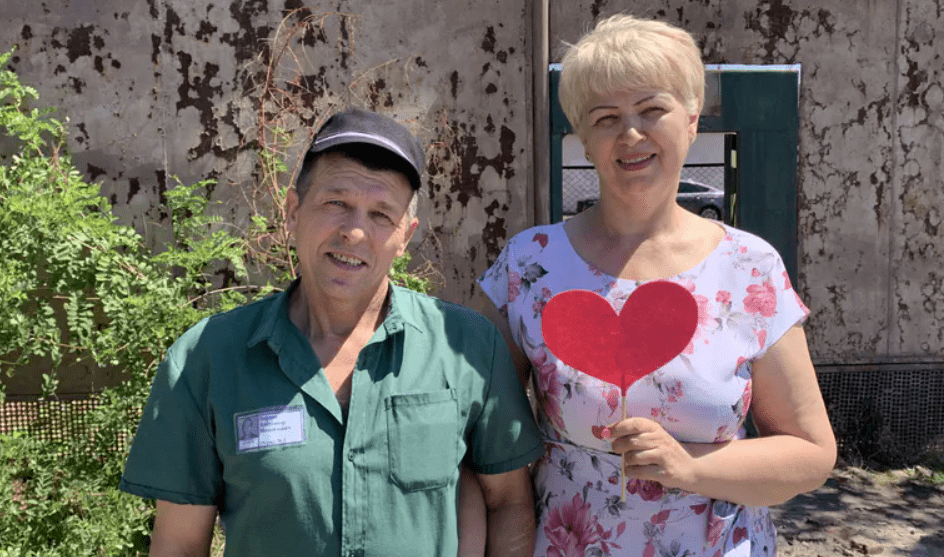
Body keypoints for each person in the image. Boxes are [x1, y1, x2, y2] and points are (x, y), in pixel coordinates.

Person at [474, 14, 837, 557]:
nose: (631, 134)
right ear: (582, 138)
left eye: (652, 110)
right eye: (605, 117)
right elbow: (482, 441)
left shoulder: (750, 268)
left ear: (691, 120)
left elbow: (811, 454)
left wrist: (689, 466)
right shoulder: (529, 265)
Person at [119, 108, 544, 557]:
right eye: (336, 203)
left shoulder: (467, 347)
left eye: (381, 214)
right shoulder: (206, 358)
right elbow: (180, 543)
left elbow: (508, 503)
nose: (354, 231)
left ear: (405, 236)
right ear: (293, 211)